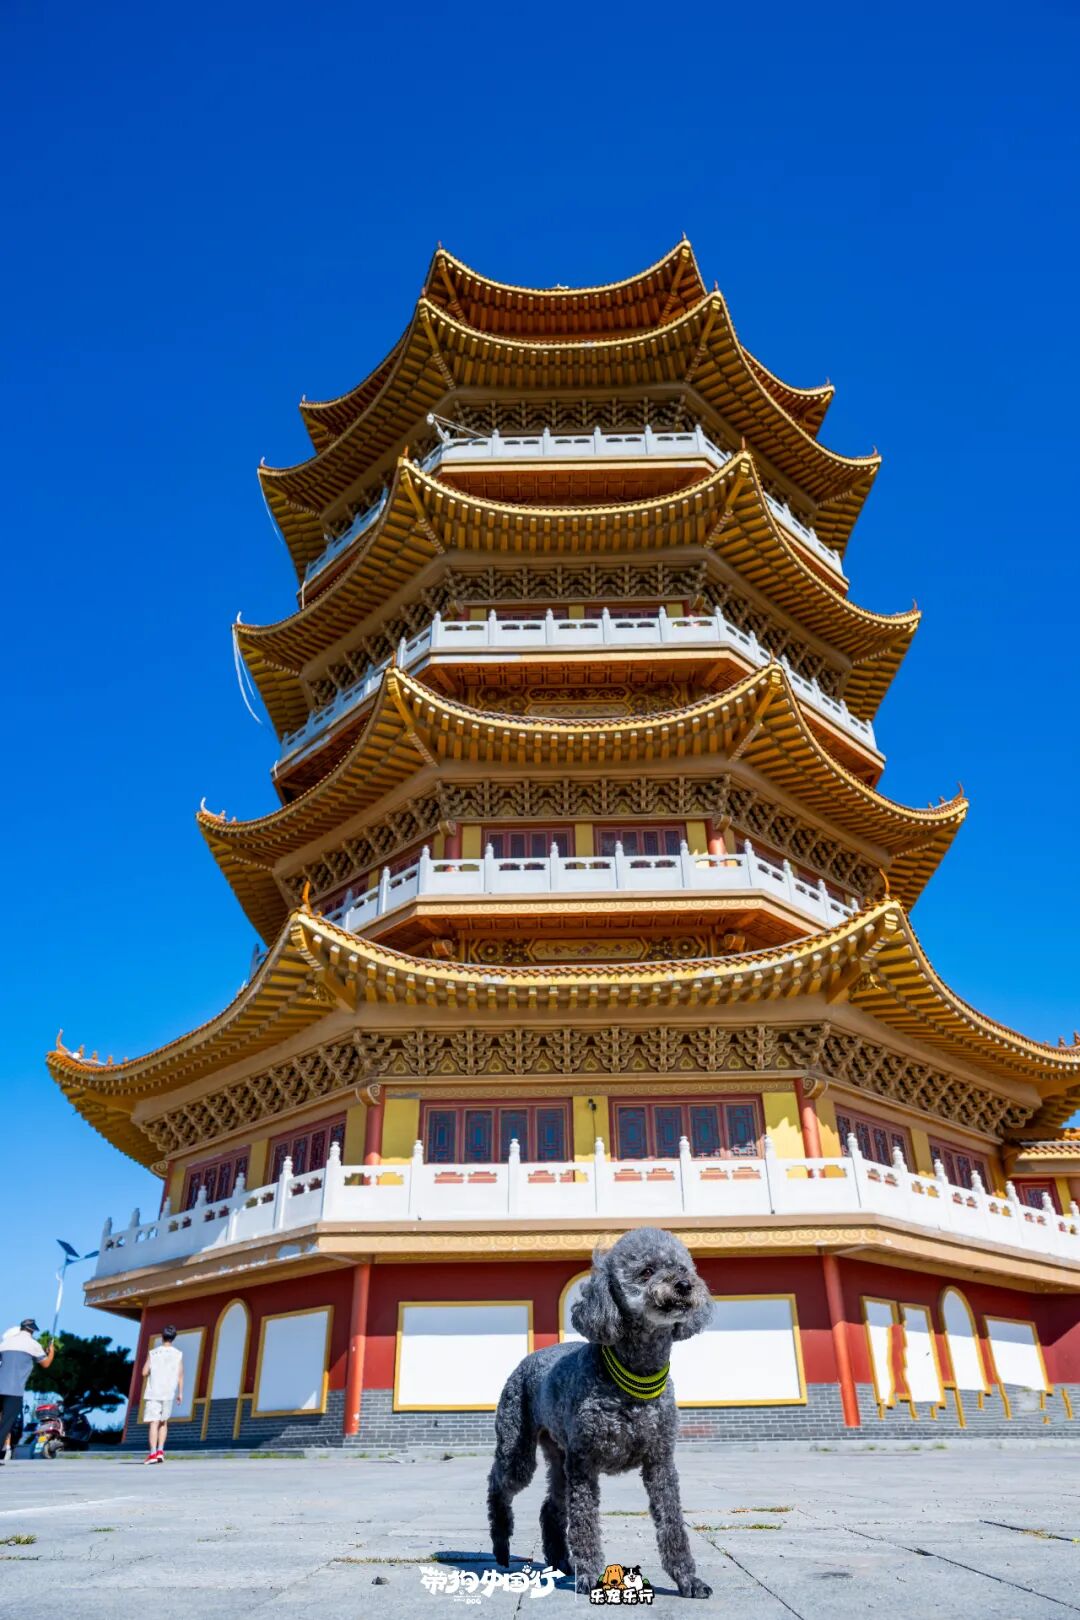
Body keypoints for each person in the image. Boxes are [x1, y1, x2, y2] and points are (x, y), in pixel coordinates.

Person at [0, 1320, 54, 1464]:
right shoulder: (33, 1345)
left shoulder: (5, 1343)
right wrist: (51, 1352)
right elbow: (46, 1364)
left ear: (21, 1328)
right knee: (5, 1424)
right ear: (32, 1330)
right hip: (14, 1391)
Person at [142, 1326, 183, 1464]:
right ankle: (160, 1451)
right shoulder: (178, 1354)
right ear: (174, 1338)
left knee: (154, 1422)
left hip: (154, 1392)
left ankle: (152, 1453)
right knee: (163, 1422)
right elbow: (180, 1375)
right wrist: (180, 1393)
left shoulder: (153, 1353)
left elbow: (144, 1372)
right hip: (168, 1393)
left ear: (162, 1336)